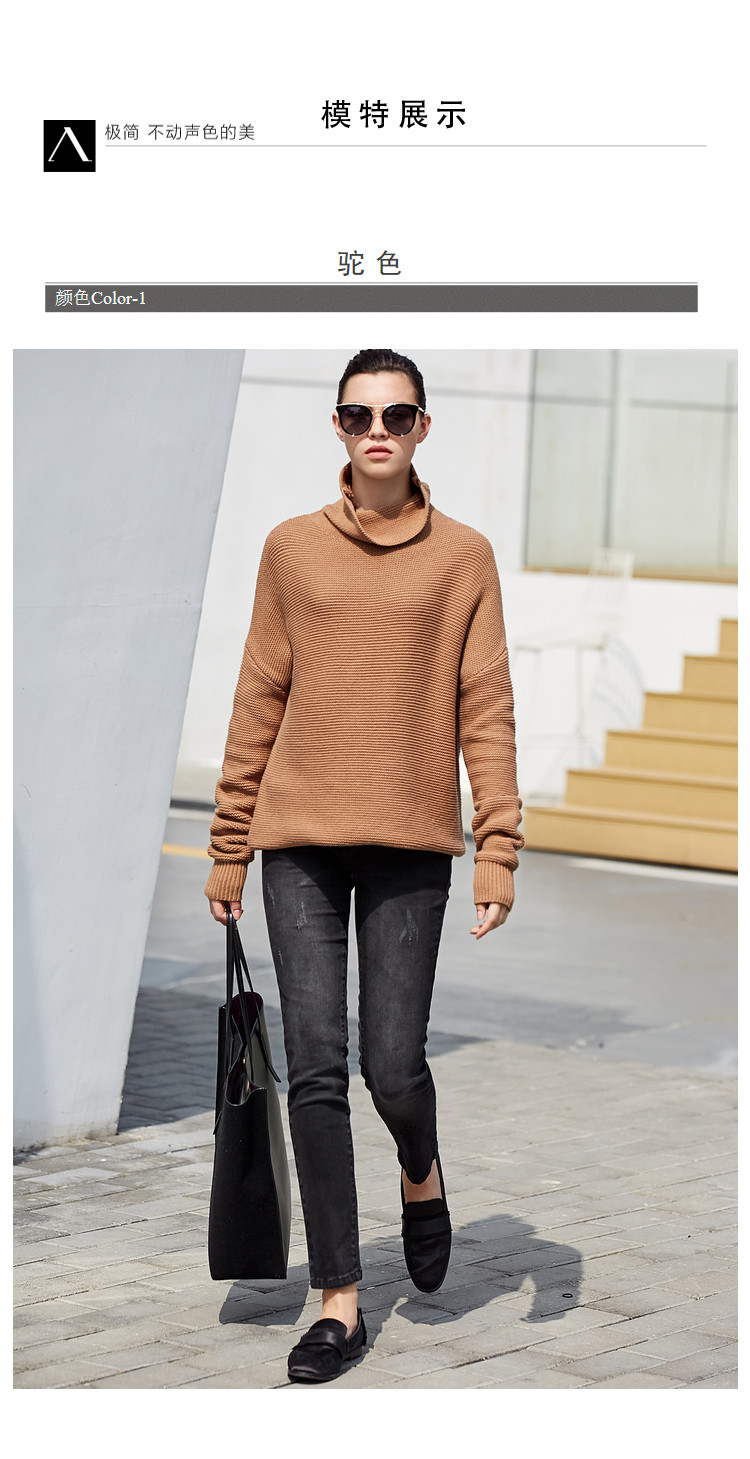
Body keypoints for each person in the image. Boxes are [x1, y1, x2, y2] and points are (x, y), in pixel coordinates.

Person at [205, 348, 524, 1383]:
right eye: (357, 414)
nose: (376, 430)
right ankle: (338, 1297)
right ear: (338, 426)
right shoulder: (291, 550)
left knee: (392, 1064)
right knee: (315, 1066)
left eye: (395, 414)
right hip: (299, 838)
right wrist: (229, 842)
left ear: (423, 427)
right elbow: (259, 693)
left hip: (410, 841)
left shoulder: (464, 558)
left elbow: (486, 705)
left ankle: (420, 1168)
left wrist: (499, 844)